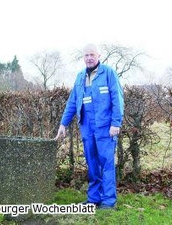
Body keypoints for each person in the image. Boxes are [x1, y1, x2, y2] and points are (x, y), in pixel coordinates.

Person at [55, 43, 124, 210]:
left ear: (99, 55)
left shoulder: (108, 73)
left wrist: (116, 123)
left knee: (106, 163)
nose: (89, 58)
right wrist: (63, 123)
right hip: (87, 126)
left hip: (105, 126)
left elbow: (117, 98)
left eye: (92, 54)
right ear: (83, 57)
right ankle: (93, 199)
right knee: (92, 163)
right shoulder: (80, 77)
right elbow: (72, 102)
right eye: (86, 55)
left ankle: (108, 201)